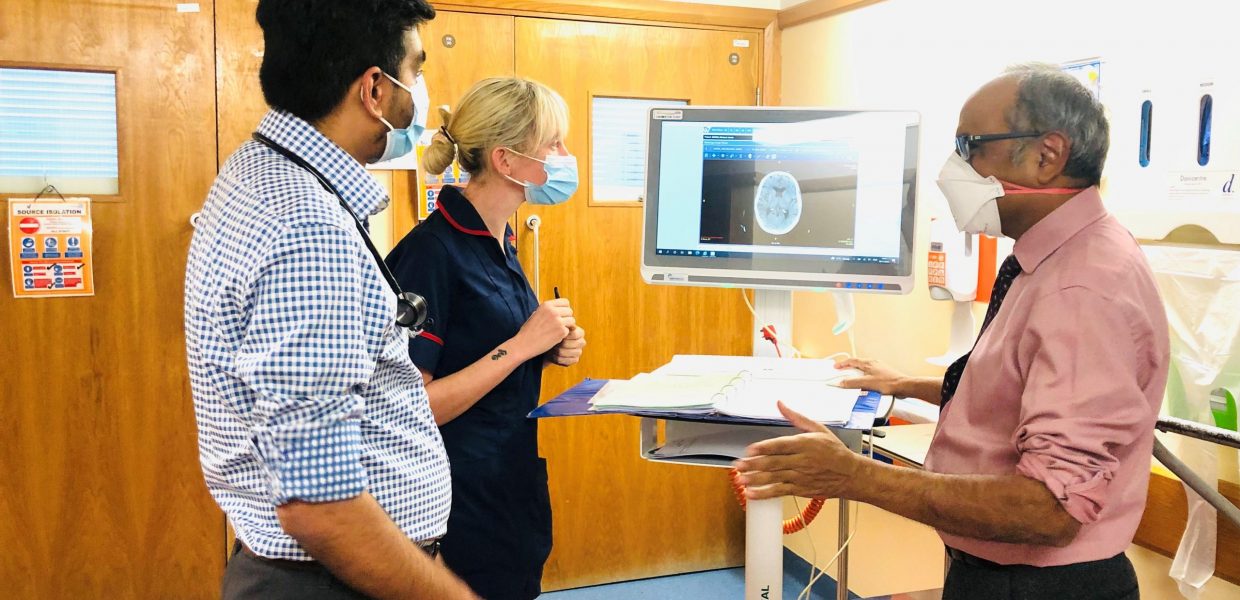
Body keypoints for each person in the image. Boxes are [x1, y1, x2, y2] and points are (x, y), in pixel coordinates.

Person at [734, 63, 1169, 600]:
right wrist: (909, 384)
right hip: (1001, 575)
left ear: (1045, 155)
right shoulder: (1055, 261)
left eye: (969, 145)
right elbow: (1020, 388)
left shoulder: (1082, 288)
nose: (953, 166)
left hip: (1040, 586)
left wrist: (855, 476)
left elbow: (1052, 508)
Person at [184, 1, 478, 598]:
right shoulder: (307, 228)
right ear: (374, 88)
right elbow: (320, 505)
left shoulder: (258, 172)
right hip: (332, 576)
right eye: (416, 72)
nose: (419, 95)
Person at [385, 77, 586, 600]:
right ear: (506, 160)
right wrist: (520, 345)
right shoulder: (430, 253)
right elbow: (412, 404)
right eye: (553, 144)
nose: (566, 156)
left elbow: (482, 349)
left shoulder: (501, 239)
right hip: (458, 497)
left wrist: (547, 350)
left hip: (509, 481)